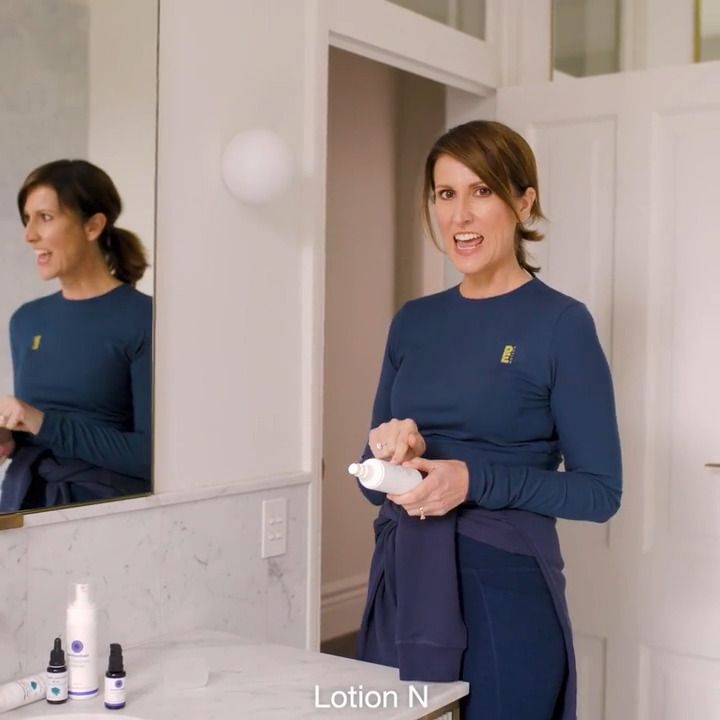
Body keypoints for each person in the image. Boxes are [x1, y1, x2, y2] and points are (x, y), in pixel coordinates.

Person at [354, 121, 622, 720]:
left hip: (503, 590)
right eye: (445, 194)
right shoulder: (413, 322)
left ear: (523, 203)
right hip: (404, 581)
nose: (460, 215)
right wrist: (388, 454)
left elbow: (600, 493)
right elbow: (369, 483)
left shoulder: (560, 325)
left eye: (482, 191)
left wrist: (472, 481)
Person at [0, 159, 152, 511]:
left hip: (108, 516)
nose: (29, 235)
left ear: (93, 225)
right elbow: (39, 434)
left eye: (45, 217)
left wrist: (41, 421)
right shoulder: (26, 321)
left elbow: (151, 458)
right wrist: (10, 436)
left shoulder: (145, 319)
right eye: (27, 219)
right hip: (27, 507)